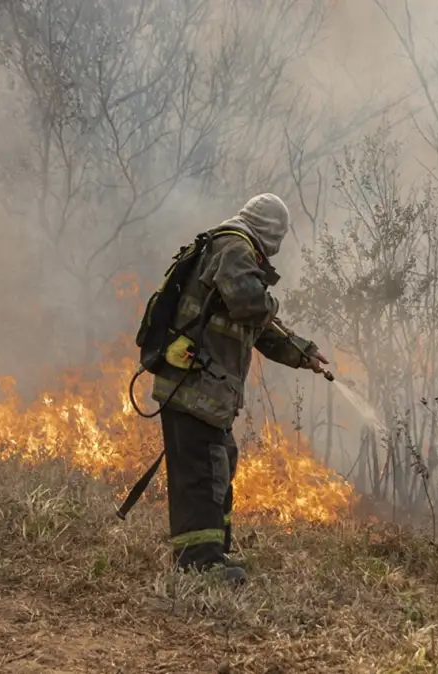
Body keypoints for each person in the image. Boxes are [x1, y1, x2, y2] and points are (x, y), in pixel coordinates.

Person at [149, 193, 330, 586]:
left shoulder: (228, 248)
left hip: (200, 388)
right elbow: (251, 305)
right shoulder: (234, 247)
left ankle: (210, 554)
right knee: (203, 474)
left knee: (217, 466)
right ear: (270, 232)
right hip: (196, 387)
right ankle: (201, 566)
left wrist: (304, 354)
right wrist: (272, 302)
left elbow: (257, 329)